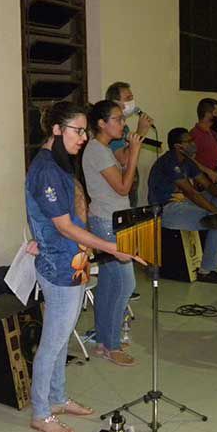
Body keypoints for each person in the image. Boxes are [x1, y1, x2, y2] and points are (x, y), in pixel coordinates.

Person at [25, 101, 143, 432]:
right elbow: (63, 226)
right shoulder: (46, 169)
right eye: (78, 131)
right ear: (57, 130)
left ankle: (58, 397)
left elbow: (67, 213)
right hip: (59, 266)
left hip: (73, 261)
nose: (83, 138)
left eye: (84, 131)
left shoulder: (59, 161)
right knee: (52, 342)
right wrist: (110, 247)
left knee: (63, 336)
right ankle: (41, 412)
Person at [83, 100, 143, 367]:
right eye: (117, 119)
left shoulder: (103, 149)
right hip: (107, 224)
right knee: (126, 285)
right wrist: (136, 152)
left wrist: (132, 147)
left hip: (110, 220)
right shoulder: (96, 150)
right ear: (101, 123)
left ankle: (103, 340)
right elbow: (123, 187)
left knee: (108, 284)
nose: (122, 123)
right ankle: (113, 345)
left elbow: (122, 167)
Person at [148, 128, 217, 284]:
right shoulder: (169, 162)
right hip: (166, 210)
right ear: (178, 146)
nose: (193, 144)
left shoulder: (187, 161)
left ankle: (210, 242)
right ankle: (206, 271)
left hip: (183, 203)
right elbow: (191, 193)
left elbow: (208, 185)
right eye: (189, 141)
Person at [104, 81, 154, 207]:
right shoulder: (112, 130)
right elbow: (123, 159)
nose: (132, 102)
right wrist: (140, 132)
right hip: (118, 191)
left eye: (132, 98)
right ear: (115, 103)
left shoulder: (124, 128)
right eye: (128, 98)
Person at [189, 98, 217, 181]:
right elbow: (189, 159)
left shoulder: (214, 133)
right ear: (207, 114)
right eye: (216, 112)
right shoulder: (194, 134)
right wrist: (208, 172)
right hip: (207, 181)